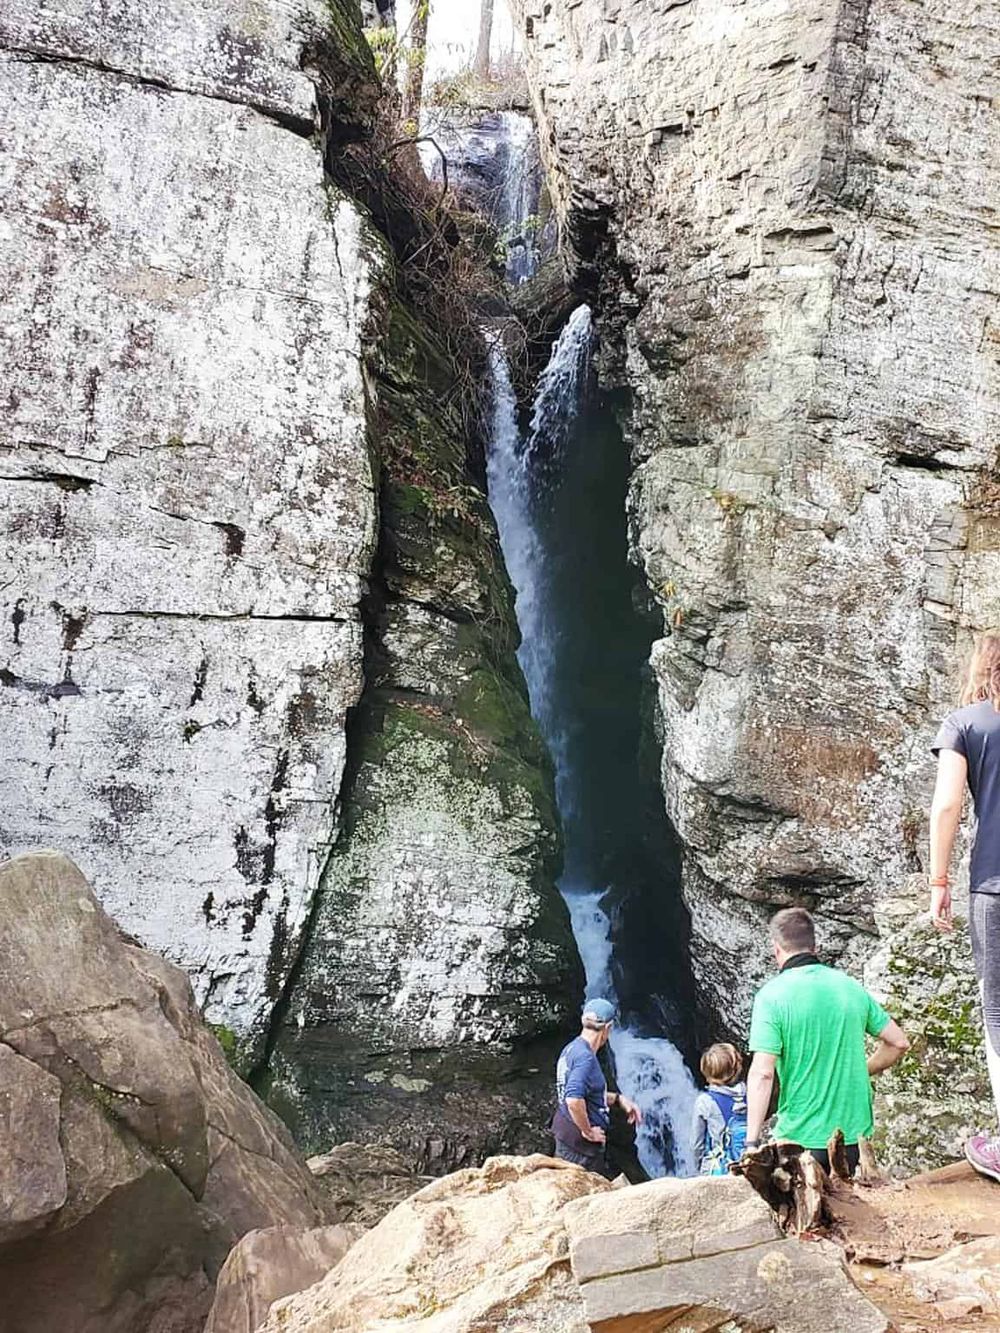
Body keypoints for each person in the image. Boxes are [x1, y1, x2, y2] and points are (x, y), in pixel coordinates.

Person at [745, 907, 909, 1175]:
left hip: (799, 1137)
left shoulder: (771, 997)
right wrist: (861, 1070)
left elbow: (763, 1073)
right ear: (815, 946)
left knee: (802, 1212)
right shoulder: (850, 987)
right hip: (854, 1136)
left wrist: (752, 1142)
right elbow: (899, 1042)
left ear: (776, 949)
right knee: (853, 1210)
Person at [928, 630, 1000, 1182]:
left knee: (997, 1008)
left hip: (993, 885)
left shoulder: (966, 723)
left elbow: (948, 803)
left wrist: (938, 881)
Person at [551, 998, 642, 1175]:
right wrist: (588, 1132)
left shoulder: (572, 1048)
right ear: (607, 1028)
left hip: (567, 1136)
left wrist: (618, 1099)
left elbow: (585, 1094)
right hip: (579, 1147)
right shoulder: (585, 1057)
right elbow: (574, 1099)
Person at [690, 1041, 748, 1174]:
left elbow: (696, 1143)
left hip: (719, 1168)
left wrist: (699, 1167)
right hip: (745, 1161)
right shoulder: (749, 1093)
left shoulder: (704, 1102)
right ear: (736, 1068)